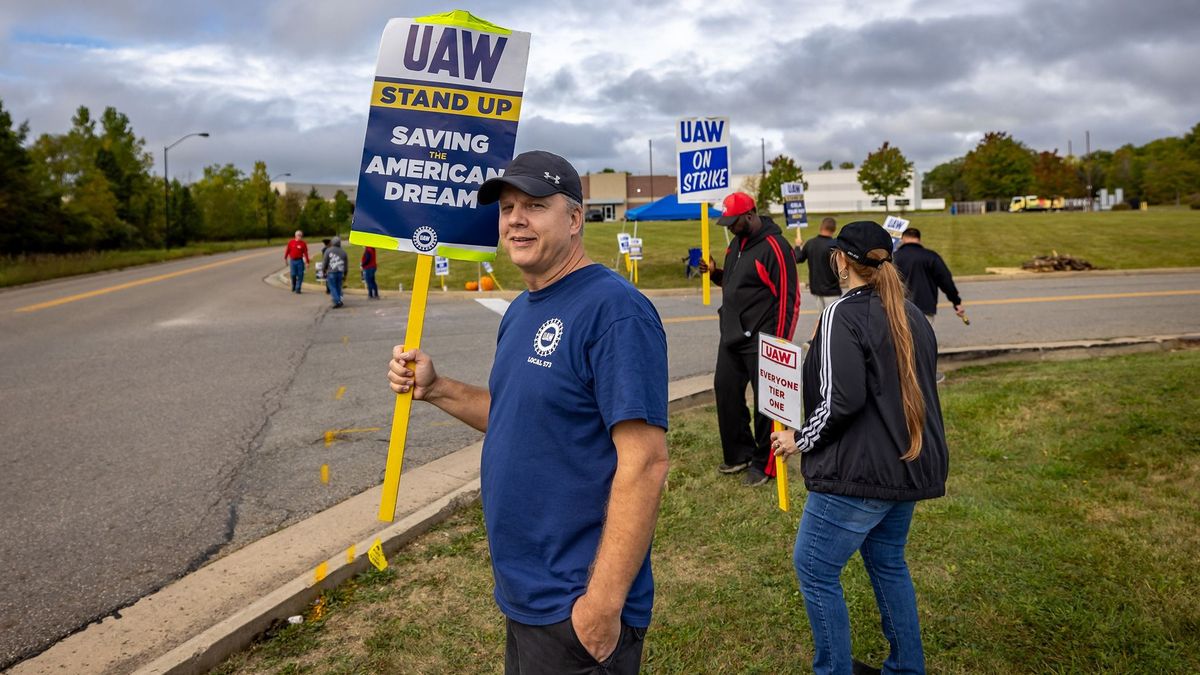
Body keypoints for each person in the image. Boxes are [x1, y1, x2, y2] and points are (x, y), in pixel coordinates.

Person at [387, 150, 669, 674]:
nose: (516, 219)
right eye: (507, 207)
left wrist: (601, 607)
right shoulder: (520, 309)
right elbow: (516, 415)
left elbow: (646, 463)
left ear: (575, 218)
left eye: (535, 206)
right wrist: (437, 387)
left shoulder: (615, 311)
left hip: (575, 603)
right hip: (526, 592)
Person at [771, 221, 949, 675]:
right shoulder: (910, 313)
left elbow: (840, 400)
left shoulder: (840, 314)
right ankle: (907, 666)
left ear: (840, 261)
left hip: (861, 471)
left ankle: (833, 670)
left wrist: (798, 438)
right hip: (906, 466)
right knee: (888, 564)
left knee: (813, 567)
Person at [698, 191, 799, 487]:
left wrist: (779, 343)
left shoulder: (775, 247)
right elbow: (733, 284)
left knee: (768, 404)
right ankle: (739, 453)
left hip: (763, 337)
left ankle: (765, 463)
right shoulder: (735, 246)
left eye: (733, 221)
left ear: (751, 215)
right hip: (731, 332)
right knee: (725, 390)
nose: (729, 226)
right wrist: (715, 273)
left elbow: (789, 298)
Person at [892, 228, 964, 323]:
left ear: (902, 239)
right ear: (919, 239)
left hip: (898, 309)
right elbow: (945, 280)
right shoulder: (931, 256)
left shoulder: (893, 258)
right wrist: (956, 302)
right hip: (925, 308)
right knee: (925, 337)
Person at [793, 217, 842, 310]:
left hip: (816, 289)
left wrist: (797, 246)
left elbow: (797, 258)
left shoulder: (810, 243)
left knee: (821, 318)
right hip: (831, 290)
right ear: (834, 229)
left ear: (821, 227)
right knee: (832, 319)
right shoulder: (834, 246)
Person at [323, 236, 348, 308]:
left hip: (331, 272)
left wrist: (323, 270)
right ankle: (339, 299)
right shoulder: (343, 252)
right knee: (338, 286)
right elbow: (346, 264)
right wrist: (345, 274)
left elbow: (325, 262)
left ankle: (337, 301)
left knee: (332, 287)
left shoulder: (328, 250)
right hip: (340, 272)